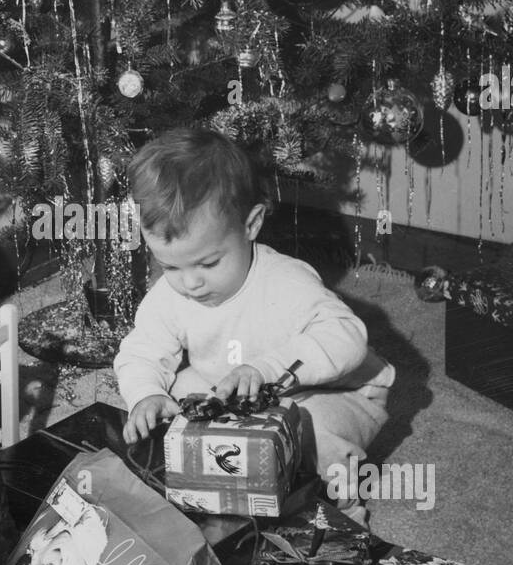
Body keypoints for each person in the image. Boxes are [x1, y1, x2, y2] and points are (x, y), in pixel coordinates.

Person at [113, 128, 395, 509]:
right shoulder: (171, 291)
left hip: (331, 390)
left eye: (208, 262)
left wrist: (266, 369)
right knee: (177, 392)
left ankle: (337, 508)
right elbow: (142, 350)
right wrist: (145, 394)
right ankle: (217, 477)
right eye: (169, 266)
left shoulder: (286, 280)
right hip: (238, 388)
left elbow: (348, 337)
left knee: (310, 428)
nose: (191, 283)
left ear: (251, 224)